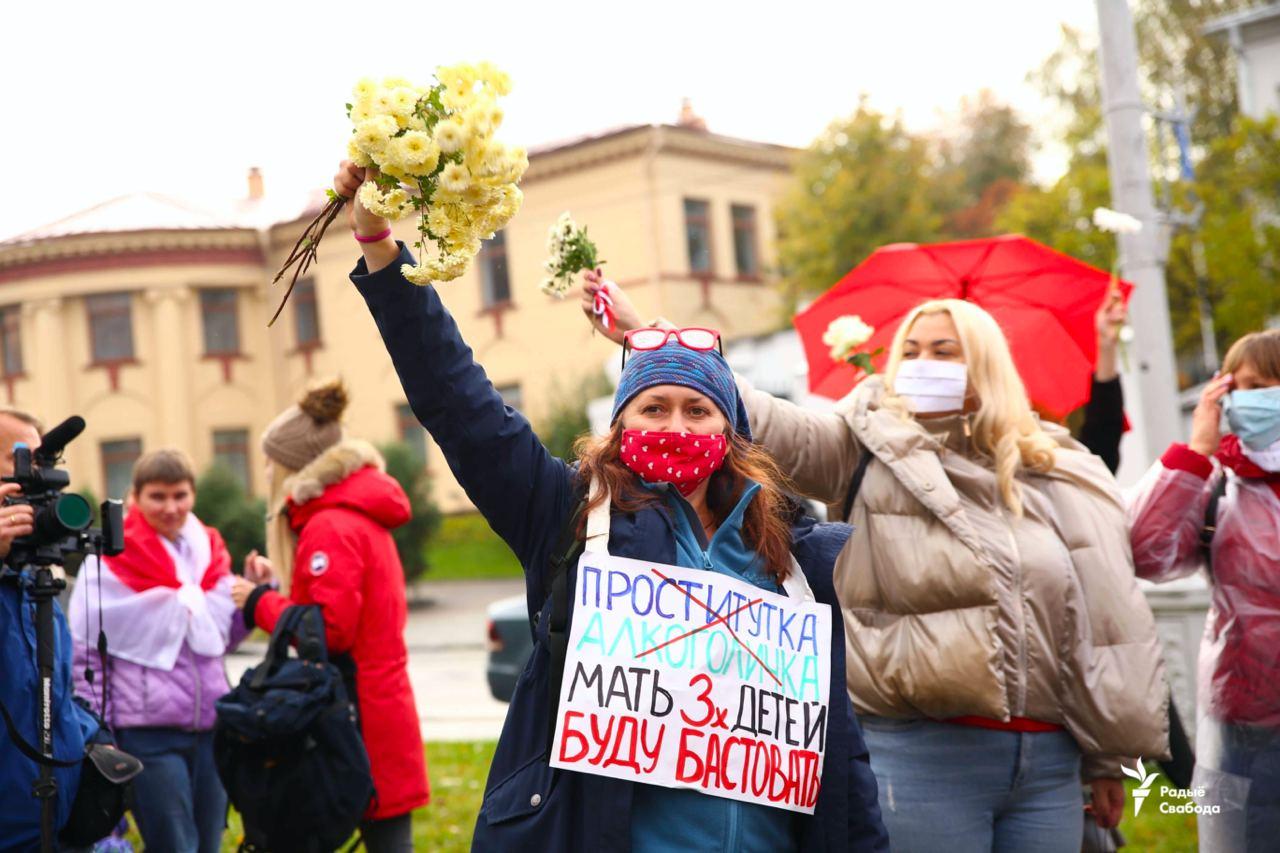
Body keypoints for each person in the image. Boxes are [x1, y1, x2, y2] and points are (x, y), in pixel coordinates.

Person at [334, 161, 888, 852]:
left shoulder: (794, 553)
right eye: (654, 407)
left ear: (730, 432)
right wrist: (384, 251)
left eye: (698, 410)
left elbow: (842, 755)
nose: (678, 426)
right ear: (622, 425)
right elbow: (458, 400)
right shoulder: (568, 515)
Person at [583, 274, 1170, 851]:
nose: (921, 362)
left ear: (987, 364)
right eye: (909, 350)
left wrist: (1104, 755)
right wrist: (649, 340)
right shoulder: (866, 446)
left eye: (944, 350)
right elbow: (750, 414)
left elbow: (1094, 617)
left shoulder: (1051, 468)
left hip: (1047, 766)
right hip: (920, 756)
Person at [232, 380, 428, 853]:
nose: (265, 470)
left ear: (293, 465)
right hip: (379, 710)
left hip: (354, 717)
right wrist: (279, 589)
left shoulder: (328, 525)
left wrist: (257, 602)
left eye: (270, 460)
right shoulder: (353, 513)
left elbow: (329, 631)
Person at [1127, 329, 1280, 851]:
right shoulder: (1218, 484)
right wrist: (1196, 454)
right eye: (1249, 386)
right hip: (1241, 721)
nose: (1261, 398)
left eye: (1273, 385)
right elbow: (1146, 553)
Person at [69, 449, 252, 853]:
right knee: (174, 844)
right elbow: (87, 659)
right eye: (158, 496)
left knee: (208, 843)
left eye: (180, 495)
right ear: (134, 496)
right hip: (148, 733)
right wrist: (101, 734)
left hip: (211, 728)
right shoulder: (108, 562)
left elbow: (222, 641)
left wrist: (253, 599)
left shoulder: (209, 552)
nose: (171, 507)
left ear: (193, 495)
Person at [0, 408, 102, 851]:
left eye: (45, 462)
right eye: (22, 459)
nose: (40, 474)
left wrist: (93, 736)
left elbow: (54, 687)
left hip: (54, 821)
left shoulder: (32, 576)